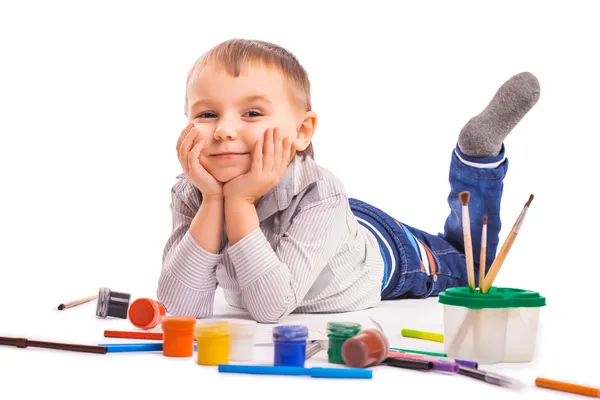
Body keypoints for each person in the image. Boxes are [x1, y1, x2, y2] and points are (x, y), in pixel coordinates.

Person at [156, 38, 540, 323]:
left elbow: (269, 309)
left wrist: (238, 204)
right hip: (330, 227)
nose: (223, 130)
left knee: (472, 265)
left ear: (303, 130)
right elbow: (181, 307)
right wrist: (213, 201)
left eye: (252, 112)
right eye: (206, 114)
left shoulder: (322, 192)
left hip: (382, 254)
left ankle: (476, 160)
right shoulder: (193, 191)